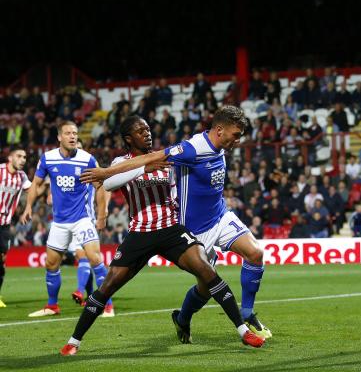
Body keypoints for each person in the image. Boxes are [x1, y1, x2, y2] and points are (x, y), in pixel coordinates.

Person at [60, 115, 264, 356]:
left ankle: (243, 331)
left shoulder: (165, 159)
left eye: (148, 129)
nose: (147, 133)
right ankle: (74, 341)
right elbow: (110, 183)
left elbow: (178, 190)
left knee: (208, 272)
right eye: (140, 131)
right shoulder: (121, 161)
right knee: (107, 287)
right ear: (129, 138)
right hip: (140, 233)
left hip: (171, 230)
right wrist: (144, 168)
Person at [20, 121, 114, 318]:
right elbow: (36, 183)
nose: (73, 136)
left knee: (95, 259)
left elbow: (101, 186)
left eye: (75, 133)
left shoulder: (87, 159)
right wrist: (28, 206)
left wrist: (102, 215)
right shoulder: (48, 158)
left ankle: (108, 306)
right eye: (68, 133)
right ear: (59, 137)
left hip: (83, 219)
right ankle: (52, 306)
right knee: (51, 264)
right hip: (60, 222)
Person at [0, 147, 35, 307]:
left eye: (25, 157)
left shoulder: (21, 177)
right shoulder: (0, 171)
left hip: (4, 224)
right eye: (19, 156)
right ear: (10, 158)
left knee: (2, 260)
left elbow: (33, 189)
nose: (23, 160)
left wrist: (49, 187)